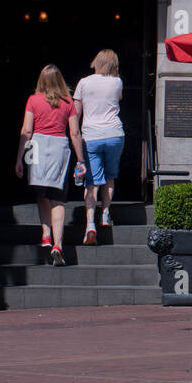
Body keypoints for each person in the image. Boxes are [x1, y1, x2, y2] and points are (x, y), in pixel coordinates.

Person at [15, 65, 86, 267]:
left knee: (41, 191)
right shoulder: (67, 102)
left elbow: (26, 131)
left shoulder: (33, 100)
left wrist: (19, 158)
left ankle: (45, 234)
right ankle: (58, 244)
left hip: (36, 146)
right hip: (58, 147)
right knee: (57, 198)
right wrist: (80, 160)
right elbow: (74, 133)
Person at [73, 48, 124, 244]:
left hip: (91, 136)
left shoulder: (84, 83)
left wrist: (74, 135)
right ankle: (106, 213)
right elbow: (118, 99)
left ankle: (90, 225)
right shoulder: (117, 82)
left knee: (91, 182)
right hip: (115, 134)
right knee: (110, 177)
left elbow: (76, 113)